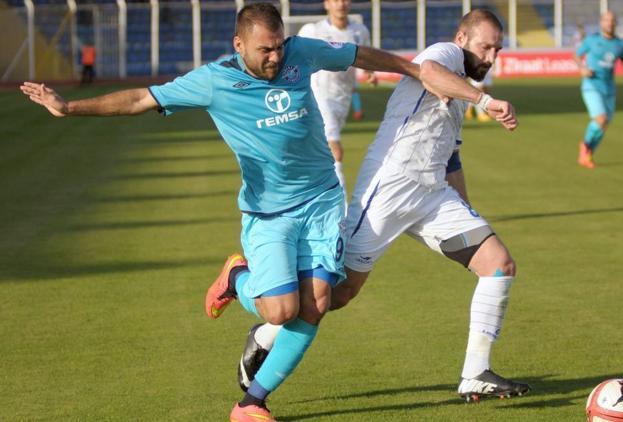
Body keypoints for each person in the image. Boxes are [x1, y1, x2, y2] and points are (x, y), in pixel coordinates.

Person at [19, 3, 464, 421]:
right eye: (264, 49)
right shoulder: (213, 81)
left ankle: (251, 404)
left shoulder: (300, 52)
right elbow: (141, 99)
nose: (275, 56)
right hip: (269, 213)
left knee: (317, 304)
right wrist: (69, 108)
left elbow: (356, 54)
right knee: (278, 312)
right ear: (239, 46)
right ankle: (236, 276)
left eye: (279, 45)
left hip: (321, 200)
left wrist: (414, 70)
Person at [237, 9, 531, 403]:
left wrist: (465, 210)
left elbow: (451, 158)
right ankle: (265, 332)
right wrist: (485, 100)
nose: (491, 56)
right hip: (389, 188)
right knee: (334, 296)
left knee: (499, 265)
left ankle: (475, 373)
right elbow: (426, 70)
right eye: (485, 46)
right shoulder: (445, 55)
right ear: (462, 38)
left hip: (432, 195)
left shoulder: (462, 86)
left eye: (497, 48)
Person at [298, 0, 378, 202]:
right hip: (318, 94)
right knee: (336, 149)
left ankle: (313, 192)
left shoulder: (360, 31)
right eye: (335, 0)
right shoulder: (313, 30)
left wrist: (369, 73)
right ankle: (340, 206)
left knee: (322, 150)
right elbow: (295, 56)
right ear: (326, 4)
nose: (340, 4)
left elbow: (365, 57)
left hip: (342, 96)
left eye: (344, 0)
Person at [574, 11, 623, 169]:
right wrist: (583, 68)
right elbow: (576, 56)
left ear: (616, 23)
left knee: (604, 124)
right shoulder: (592, 40)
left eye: (612, 20)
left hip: (609, 88)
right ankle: (585, 146)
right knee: (601, 119)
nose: (610, 23)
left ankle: (587, 154)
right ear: (601, 22)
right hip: (591, 85)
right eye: (607, 20)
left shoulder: (620, 44)